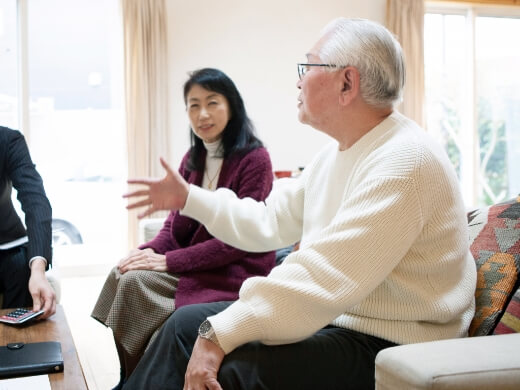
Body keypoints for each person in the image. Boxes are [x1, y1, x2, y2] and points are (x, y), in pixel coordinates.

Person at [122, 18, 477, 390]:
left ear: (346, 83)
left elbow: (324, 273)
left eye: (307, 66)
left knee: (232, 368)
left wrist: (220, 333)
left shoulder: (406, 162)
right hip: (341, 316)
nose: (298, 79)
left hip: (394, 340)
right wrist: (190, 198)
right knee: (184, 325)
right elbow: (267, 220)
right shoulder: (336, 153)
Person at [91, 68, 276, 389]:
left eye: (212, 102)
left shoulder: (255, 159)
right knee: (122, 272)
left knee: (137, 285)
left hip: (234, 270)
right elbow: (172, 228)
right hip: (197, 265)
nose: (202, 114)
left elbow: (237, 243)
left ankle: (138, 380)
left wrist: (167, 262)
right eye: (193, 105)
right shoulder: (193, 158)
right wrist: (145, 251)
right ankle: (130, 376)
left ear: (232, 106)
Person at [0, 126, 56, 318]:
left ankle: (15, 342)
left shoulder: (8, 140)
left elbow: (35, 201)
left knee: (20, 266)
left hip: (7, 246)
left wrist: (38, 269)